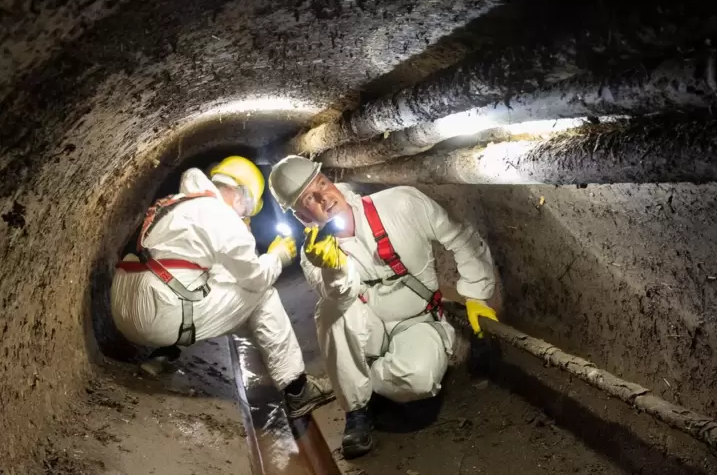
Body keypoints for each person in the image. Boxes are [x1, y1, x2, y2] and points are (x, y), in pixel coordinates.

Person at [268, 155, 500, 457]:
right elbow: (341, 297)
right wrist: (334, 268)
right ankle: (356, 409)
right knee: (330, 311)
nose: (323, 198)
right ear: (301, 216)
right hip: (370, 329)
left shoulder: (401, 204)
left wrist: (477, 294)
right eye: (309, 198)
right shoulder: (313, 256)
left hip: (418, 320)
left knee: (419, 381)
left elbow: (460, 237)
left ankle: (352, 381)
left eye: (321, 184)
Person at [111, 156, 334, 418]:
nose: (244, 216)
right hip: (157, 318)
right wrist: (277, 256)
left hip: (123, 310)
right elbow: (256, 280)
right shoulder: (223, 219)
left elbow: (222, 275)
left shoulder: (178, 203)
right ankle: (298, 390)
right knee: (263, 295)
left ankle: (163, 354)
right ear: (242, 198)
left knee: (203, 281)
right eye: (247, 210)